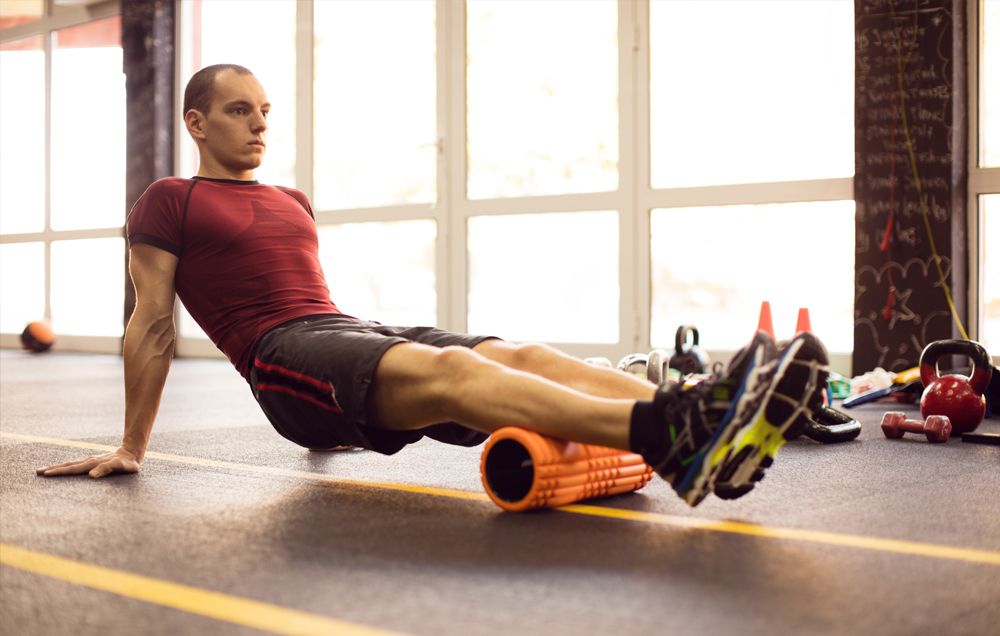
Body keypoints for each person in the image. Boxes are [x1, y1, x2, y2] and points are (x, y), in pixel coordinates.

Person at [37, 64, 830, 507]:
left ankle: (703, 413)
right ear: (197, 122)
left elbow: (315, 300)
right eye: (240, 111)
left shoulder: (291, 199)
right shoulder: (170, 199)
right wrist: (132, 446)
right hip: (282, 359)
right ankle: (672, 434)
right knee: (454, 370)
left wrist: (353, 373)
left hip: (343, 330)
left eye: (265, 111)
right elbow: (152, 322)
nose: (259, 123)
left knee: (514, 353)